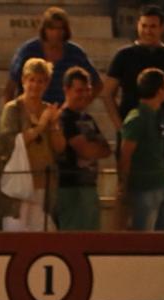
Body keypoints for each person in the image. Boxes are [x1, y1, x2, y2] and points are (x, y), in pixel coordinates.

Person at [103, 6, 164, 166]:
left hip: (163, 129)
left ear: (162, 28)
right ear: (138, 25)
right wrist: (120, 127)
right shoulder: (124, 56)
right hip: (131, 127)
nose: (148, 31)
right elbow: (107, 93)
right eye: (144, 26)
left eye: (153, 26)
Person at [0, 56, 65, 231]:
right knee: (16, 233)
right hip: (18, 184)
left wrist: (54, 124)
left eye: (40, 81)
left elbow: (59, 148)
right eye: (32, 80)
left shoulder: (48, 109)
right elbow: (8, 143)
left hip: (43, 184)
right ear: (24, 80)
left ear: (46, 84)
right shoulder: (13, 109)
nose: (35, 85)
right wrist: (40, 126)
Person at [4, 6, 101, 106]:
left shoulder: (75, 53)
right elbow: (10, 88)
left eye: (60, 29)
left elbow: (97, 83)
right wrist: (12, 111)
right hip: (31, 111)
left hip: (63, 112)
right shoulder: (28, 51)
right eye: (52, 28)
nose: (56, 33)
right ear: (44, 30)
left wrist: (80, 105)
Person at [119, 67, 164, 231]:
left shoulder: (158, 114)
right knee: (143, 235)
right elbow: (126, 154)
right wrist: (124, 186)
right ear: (159, 90)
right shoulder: (137, 118)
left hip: (161, 182)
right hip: (144, 187)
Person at [57, 66, 111, 231]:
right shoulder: (64, 118)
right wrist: (93, 146)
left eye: (87, 90)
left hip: (89, 186)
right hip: (70, 188)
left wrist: (93, 147)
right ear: (66, 90)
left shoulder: (88, 118)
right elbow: (86, 151)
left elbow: (107, 150)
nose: (85, 95)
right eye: (79, 90)